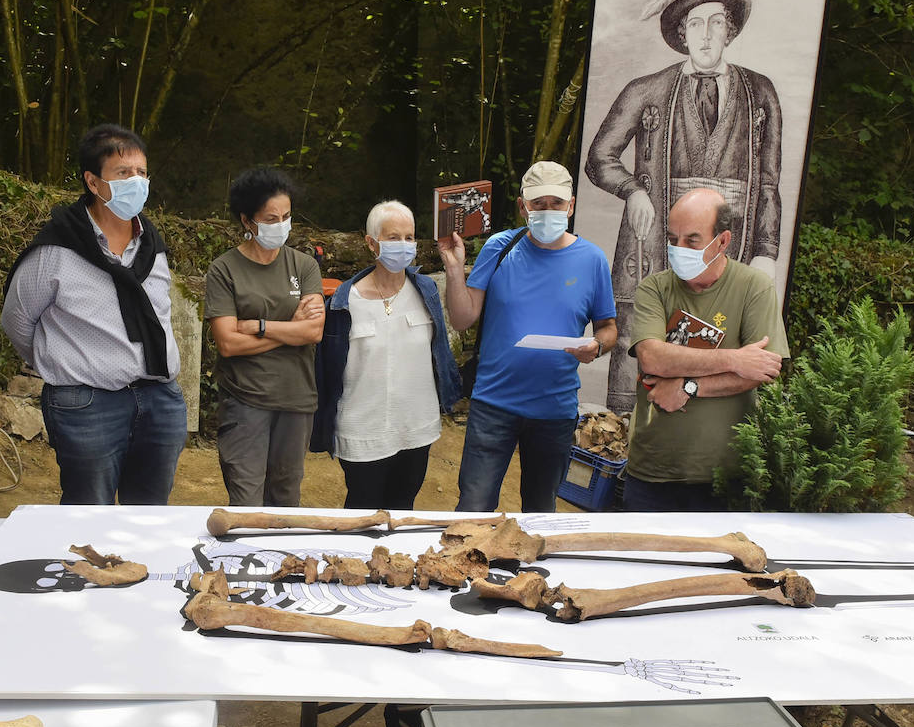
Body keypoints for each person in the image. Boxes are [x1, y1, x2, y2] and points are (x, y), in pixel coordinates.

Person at [584, 0, 783, 413]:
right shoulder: (647, 90)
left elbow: (769, 180)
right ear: (681, 33)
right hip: (654, 245)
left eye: (716, 22)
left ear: (730, 30)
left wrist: (766, 250)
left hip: (729, 245)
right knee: (638, 335)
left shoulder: (761, 93)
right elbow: (599, 158)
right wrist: (633, 190)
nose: (707, 34)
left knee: (724, 334)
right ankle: (621, 433)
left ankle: (702, 432)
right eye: (696, 24)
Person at [1, 124, 186, 506]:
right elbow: (17, 320)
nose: (136, 181)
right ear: (93, 181)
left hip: (159, 399)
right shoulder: (58, 249)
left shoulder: (152, 245)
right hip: (88, 406)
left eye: (141, 172)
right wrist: (64, 364)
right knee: (89, 515)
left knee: (151, 516)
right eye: (122, 173)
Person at [439, 161, 617, 513]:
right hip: (493, 404)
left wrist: (596, 347)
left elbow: (608, 328)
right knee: (474, 507)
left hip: (554, 409)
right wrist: (454, 268)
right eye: (538, 204)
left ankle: (532, 571)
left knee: (540, 512)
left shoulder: (592, 260)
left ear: (571, 205)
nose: (547, 210)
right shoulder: (499, 247)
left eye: (556, 203)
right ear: (523, 206)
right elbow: (462, 318)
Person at [623, 187, 788, 511]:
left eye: (691, 241)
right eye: (672, 239)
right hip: (651, 473)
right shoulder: (654, 287)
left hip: (726, 477)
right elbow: (652, 356)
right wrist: (734, 359)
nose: (678, 248)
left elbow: (763, 370)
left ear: (723, 241)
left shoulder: (754, 287)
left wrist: (688, 385)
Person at [310, 200, 461, 509]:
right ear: (372, 243)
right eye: (393, 237)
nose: (403, 245)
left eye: (409, 237)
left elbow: (439, 353)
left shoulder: (426, 291)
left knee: (403, 504)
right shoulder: (343, 304)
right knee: (362, 510)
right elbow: (327, 370)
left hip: (417, 427)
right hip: (362, 430)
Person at [206, 167, 324, 506]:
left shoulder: (304, 266)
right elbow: (228, 343)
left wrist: (258, 326)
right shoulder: (224, 269)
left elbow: (313, 330)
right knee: (246, 498)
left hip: (296, 399)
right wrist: (292, 330)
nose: (281, 225)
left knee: (286, 498)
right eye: (271, 218)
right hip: (246, 400)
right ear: (247, 221)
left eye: (286, 216)